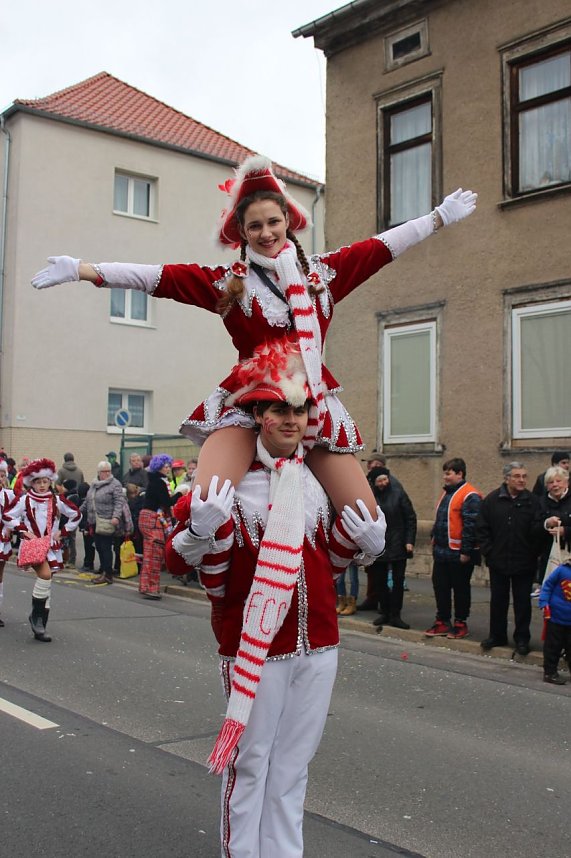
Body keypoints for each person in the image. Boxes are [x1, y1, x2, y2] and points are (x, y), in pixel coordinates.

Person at [32, 154, 476, 534]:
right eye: (255, 226)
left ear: (289, 223)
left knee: (366, 523)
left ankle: (314, 580)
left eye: (273, 222)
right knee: (205, 505)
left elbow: (382, 246)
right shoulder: (230, 285)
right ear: (242, 233)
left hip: (311, 404)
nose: (266, 232)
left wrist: (437, 217)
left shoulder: (321, 276)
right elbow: (157, 277)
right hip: (251, 401)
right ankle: (222, 569)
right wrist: (84, 269)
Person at [165, 349, 385, 858]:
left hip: (320, 643)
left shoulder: (317, 481)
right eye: (277, 410)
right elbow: (181, 564)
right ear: (258, 417)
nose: (289, 419)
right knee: (251, 763)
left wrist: (365, 542)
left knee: (292, 766)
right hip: (254, 649)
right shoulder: (229, 484)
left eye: (299, 410)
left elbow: (327, 561)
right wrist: (197, 530)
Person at [2, 458, 80, 642]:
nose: (42, 485)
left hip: (51, 547)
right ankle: (36, 618)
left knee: (47, 583)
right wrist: (23, 530)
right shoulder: (25, 499)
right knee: (44, 575)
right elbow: (7, 515)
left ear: (50, 482)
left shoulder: (56, 499)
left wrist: (62, 532)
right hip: (33, 546)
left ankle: (41, 624)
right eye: (38, 482)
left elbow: (76, 514)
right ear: (32, 483)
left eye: (45, 482)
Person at [477, 462, 542, 655]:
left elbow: (539, 530)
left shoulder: (532, 501)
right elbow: (482, 528)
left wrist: (533, 553)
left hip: (524, 562)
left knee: (522, 603)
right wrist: (488, 551)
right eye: (517, 476)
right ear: (507, 478)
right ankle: (497, 636)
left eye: (524, 476)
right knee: (498, 601)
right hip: (498, 561)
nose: (521, 480)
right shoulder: (492, 500)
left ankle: (522, 639)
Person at [425, 458, 482, 640]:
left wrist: (466, 551)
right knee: (441, 587)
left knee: (460, 589)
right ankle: (442, 620)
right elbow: (441, 520)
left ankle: (460, 622)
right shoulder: (447, 493)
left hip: (459, 553)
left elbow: (471, 526)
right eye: (445, 473)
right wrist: (433, 537)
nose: (445, 477)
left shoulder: (470, 495)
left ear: (460, 474)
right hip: (442, 551)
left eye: (448, 473)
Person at [368, 466, 417, 630]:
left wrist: (409, 540)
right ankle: (385, 612)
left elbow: (410, 517)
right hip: (379, 544)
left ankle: (396, 614)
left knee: (398, 582)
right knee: (380, 582)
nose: (383, 483)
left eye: (385, 479)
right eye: (379, 480)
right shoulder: (371, 497)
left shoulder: (399, 493)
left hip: (398, 543)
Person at [139, 454, 188, 599]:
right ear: (159, 467)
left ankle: (145, 585)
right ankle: (151, 588)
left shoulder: (155, 481)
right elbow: (166, 502)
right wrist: (180, 493)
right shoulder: (159, 483)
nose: (168, 468)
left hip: (147, 518)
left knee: (149, 553)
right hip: (153, 519)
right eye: (166, 466)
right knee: (154, 554)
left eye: (169, 466)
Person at [81, 461, 124, 585]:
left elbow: (119, 502)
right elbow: (88, 500)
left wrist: (116, 516)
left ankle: (108, 574)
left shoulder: (115, 484)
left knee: (105, 547)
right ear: (99, 472)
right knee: (98, 546)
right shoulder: (94, 484)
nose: (107, 473)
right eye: (104, 471)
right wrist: (78, 512)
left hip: (106, 520)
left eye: (109, 471)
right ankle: (104, 570)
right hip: (94, 520)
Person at [536, 466, 571, 588]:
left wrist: (565, 531)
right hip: (549, 559)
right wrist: (546, 524)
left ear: (566, 482)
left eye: (558, 481)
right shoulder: (540, 502)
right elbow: (532, 528)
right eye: (551, 482)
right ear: (546, 486)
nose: (555, 485)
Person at [538, 560, 571, 685]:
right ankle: (549, 672)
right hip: (556, 617)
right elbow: (547, 586)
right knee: (553, 647)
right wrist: (544, 603)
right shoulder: (562, 570)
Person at [0, 461, 15, 627]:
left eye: (3, 475)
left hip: (1, 539)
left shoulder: (8, 495)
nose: (1, 478)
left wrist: (9, 527)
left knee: (0, 575)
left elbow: (14, 515)